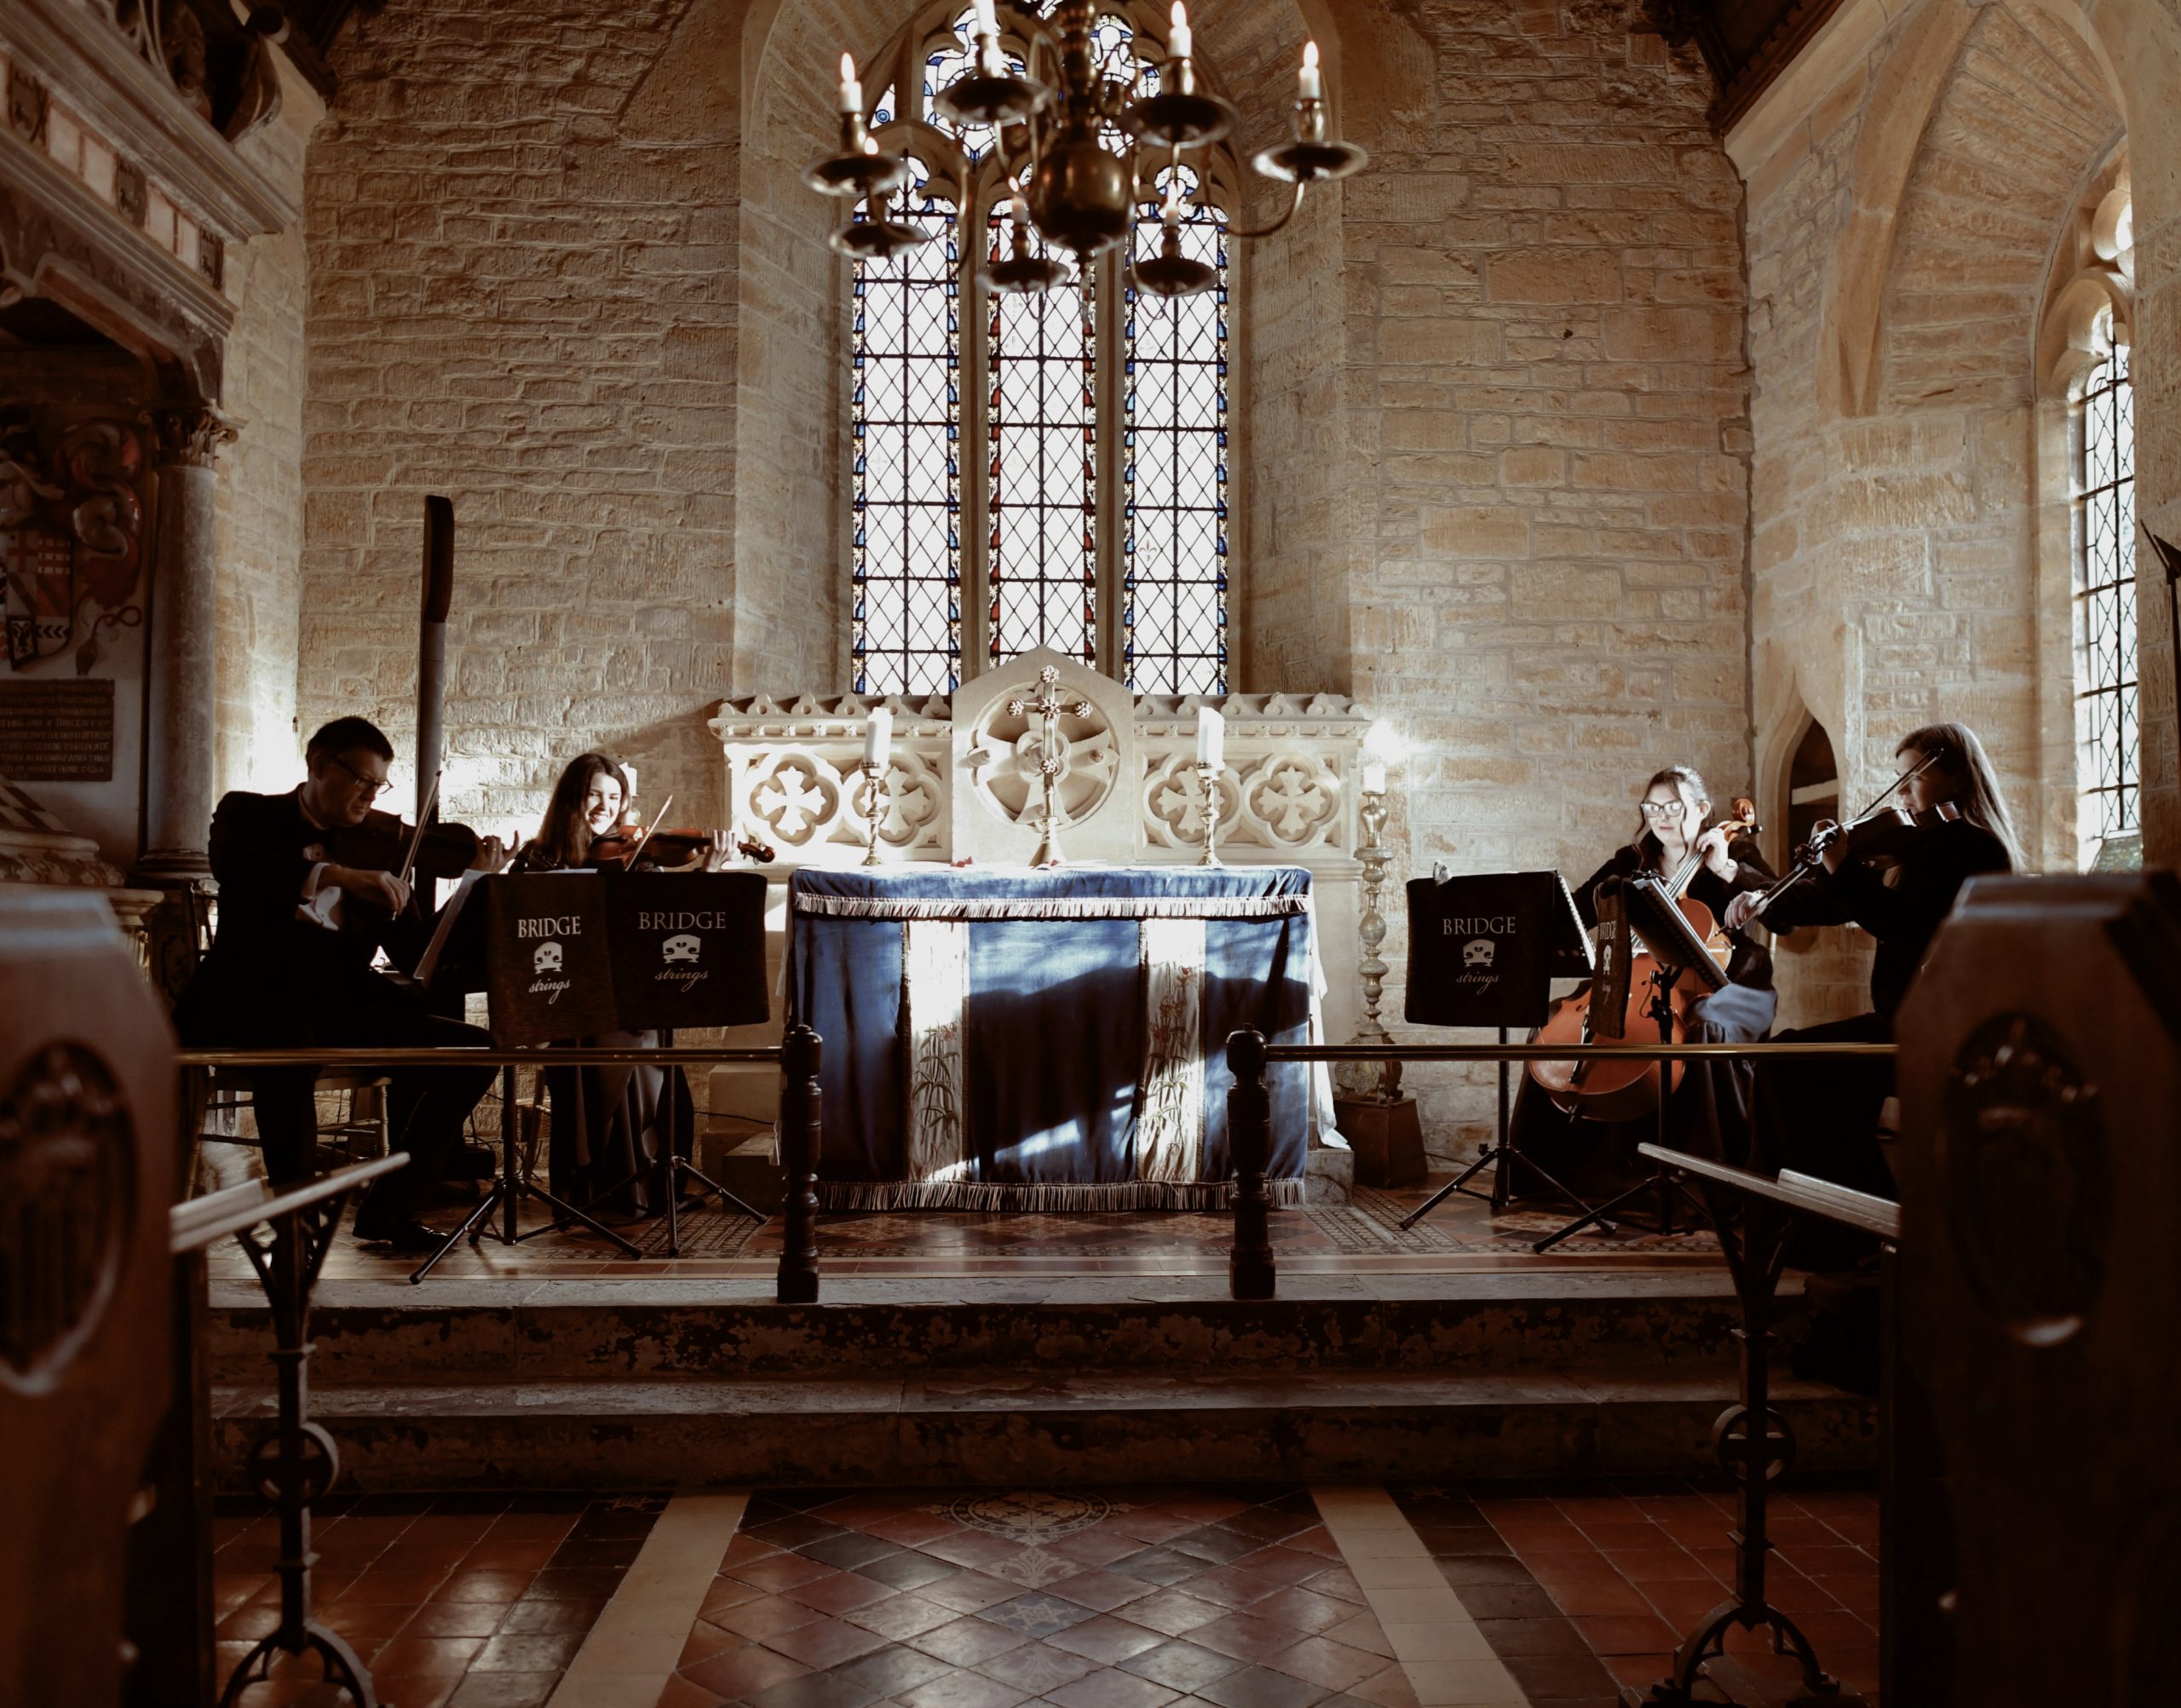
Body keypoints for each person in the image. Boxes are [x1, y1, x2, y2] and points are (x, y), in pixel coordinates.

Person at [174, 716, 509, 1250]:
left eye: (379, 785)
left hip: (342, 997)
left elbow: (418, 953)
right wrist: (336, 876)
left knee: (473, 1051)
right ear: (319, 765)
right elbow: (239, 869)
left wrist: (475, 891)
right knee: (289, 1041)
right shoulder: (248, 813)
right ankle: (296, 1222)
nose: (370, 795)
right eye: (361, 780)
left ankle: (391, 1208)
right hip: (251, 994)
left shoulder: (381, 846)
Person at [1728, 719, 2021, 1195]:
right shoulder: (1916, 848)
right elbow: (1832, 902)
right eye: (1900, 780)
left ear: (1956, 777)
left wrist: (1843, 866)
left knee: (1790, 1065)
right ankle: (1818, 1215)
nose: (1902, 794)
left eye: (1914, 779)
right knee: (1789, 1063)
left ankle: (1853, 1222)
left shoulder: (1973, 848)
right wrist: (1764, 897)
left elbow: (1902, 924)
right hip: (1903, 1022)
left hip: (1941, 1030)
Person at [1513, 765, 1779, 1196]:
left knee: (1704, 1021)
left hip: (1729, 982)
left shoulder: (1736, 852)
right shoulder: (1631, 860)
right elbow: (1576, 913)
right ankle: (1552, 1173)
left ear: (1702, 809)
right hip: (1641, 977)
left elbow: (1776, 898)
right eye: (1652, 807)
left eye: (1672, 806)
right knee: (1553, 1019)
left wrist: (1730, 869)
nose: (1661, 815)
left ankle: (1709, 1181)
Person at [513, 752, 693, 1216]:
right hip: (565, 999)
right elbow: (518, 934)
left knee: (626, 1031)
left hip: (625, 999)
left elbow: (665, 920)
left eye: (614, 797)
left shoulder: (635, 858)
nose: (604, 806)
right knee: (585, 1033)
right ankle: (589, 1185)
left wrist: (707, 873)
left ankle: (636, 1188)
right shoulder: (537, 859)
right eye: (595, 794)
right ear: (573, 797)